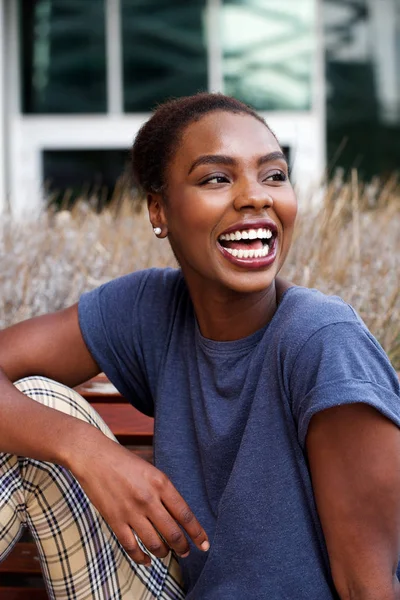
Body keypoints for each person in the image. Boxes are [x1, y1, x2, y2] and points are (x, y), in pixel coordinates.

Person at [1, 93, 400, 600]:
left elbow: (368, 587)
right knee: (40, 402)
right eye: (217, 178)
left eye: (274, 175)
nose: (256, 197)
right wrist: (89, 450)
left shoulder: (324, 342)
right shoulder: (149, 309)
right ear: (158, 209)